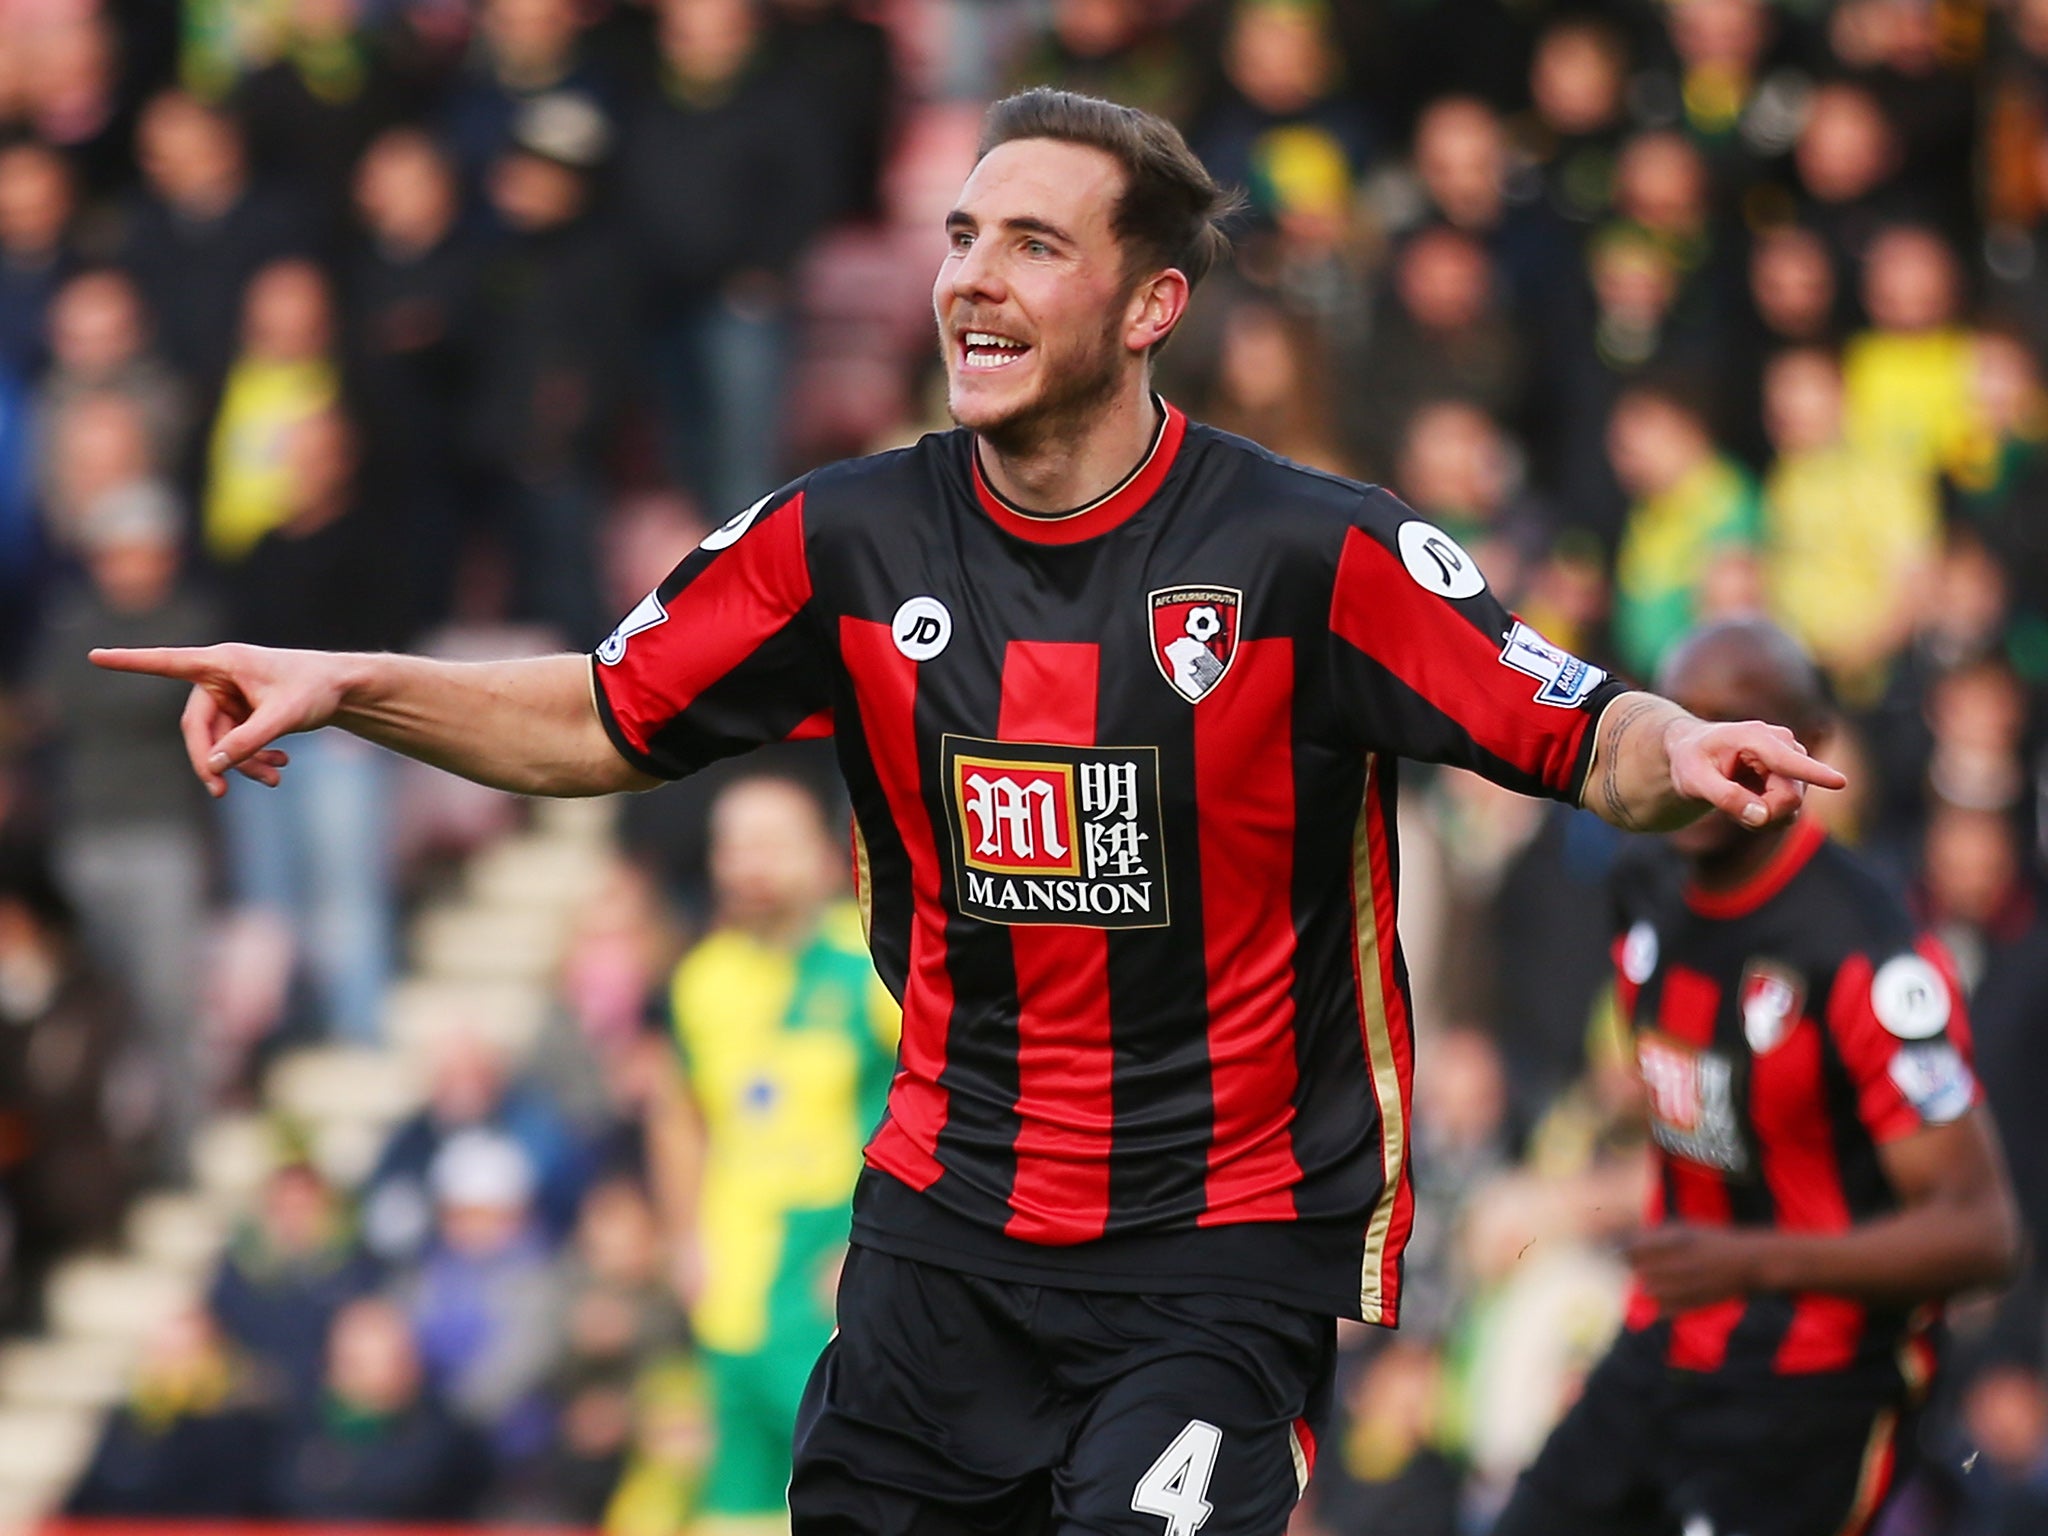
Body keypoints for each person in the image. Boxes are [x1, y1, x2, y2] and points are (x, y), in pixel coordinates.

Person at [93, 89, 1845, 1535]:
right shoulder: (839, 541)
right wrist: (357, 679)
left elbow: (1558, 715)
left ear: (1149, 305)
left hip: (1213, 1251)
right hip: (943, 1231)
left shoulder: (1311, 552)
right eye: (955, 238)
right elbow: (597, 715)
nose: (968, 281)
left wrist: (1672, 746)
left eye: (1030, 243)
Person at [1493, 619, 2021, 1536]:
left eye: (1737, 725)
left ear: (1807, 745)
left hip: (1814, 1388)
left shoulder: (1868, 955)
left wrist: (1755, 1259)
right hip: (1662, 1349)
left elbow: (1983, 1234)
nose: (1706, 752)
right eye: (1681, 719)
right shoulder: (1643, 890)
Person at [647, 773, 897, 1531]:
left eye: (770, 844)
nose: (749, 863)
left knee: (852, 1489)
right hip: (732, 1283)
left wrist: (875, 1251)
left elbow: (930, 1104)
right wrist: (683, 1239)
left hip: (829, 1276)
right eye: (735, 845)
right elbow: (678, 1115)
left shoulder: (871, 968)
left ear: (824, 856)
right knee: (735, 1500)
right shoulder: (700, 979)